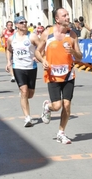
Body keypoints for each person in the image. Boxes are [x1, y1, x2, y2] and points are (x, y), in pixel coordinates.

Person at [35, 7, 82, 144]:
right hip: (52, 75)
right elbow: (38, 52)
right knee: (57, 106)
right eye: (64, 15)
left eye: (68, 14)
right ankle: (47, 107)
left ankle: (61, 133)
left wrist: (73, 52)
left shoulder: (72, 35)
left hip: (68, 75)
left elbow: (80, 57)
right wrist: (43, 60)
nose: (68, 17)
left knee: (66, 105)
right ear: (57, 19)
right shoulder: (47, 33)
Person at [5, 16, 40, 127]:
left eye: (25, 22)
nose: (24, 24)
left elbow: (41, 47)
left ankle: (24, 96)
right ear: (16, 25)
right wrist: (9, 62)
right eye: (21, 22)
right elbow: (9, 49)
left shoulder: (32, 36)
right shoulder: (12, 38)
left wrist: (37, 56)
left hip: (31, 67)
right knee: (24, 91)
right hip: (18, 67)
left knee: (30, 94)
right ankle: (27, 117)